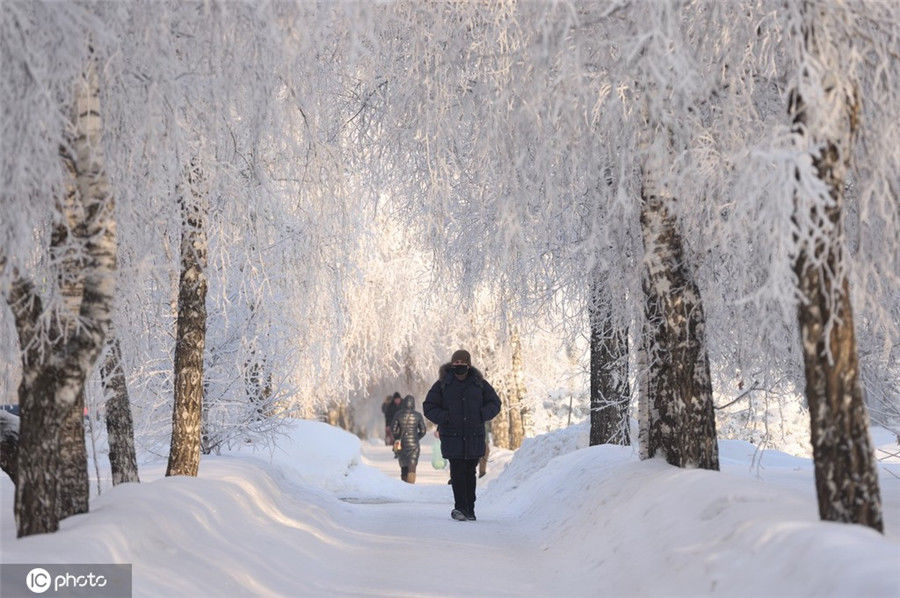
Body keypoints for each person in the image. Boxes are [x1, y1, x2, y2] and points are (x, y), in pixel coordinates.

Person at [423, 349, 501, 522]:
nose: (458, 366)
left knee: (469, 472)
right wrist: (445, 417)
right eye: (455, 363)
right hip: (452, 436)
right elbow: (428, 406)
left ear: (469, 364)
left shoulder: (479, 383)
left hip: (474, 436)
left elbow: (495, 403)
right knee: (457, 472)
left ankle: (470, 509)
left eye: (462, 363)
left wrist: (482, 414)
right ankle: (460, 508)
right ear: (451, 364)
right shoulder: (443, 384)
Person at [390, 394, 427, 483]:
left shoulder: (398, 414)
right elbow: (423, 431)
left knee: (404, 466)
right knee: (412, 466)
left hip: (402, 444)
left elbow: (393, 430)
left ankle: (404, 486)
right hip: (414, 445)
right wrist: (416, 438)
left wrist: (398, 437)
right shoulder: (418, 415)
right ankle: (411, 485)